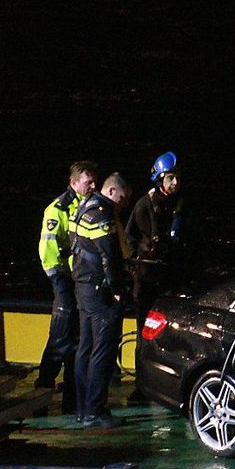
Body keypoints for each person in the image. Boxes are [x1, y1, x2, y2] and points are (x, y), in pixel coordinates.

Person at [35, 160, 98, 412]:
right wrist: (60, 283)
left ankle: (72, 398)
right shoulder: (57, 210)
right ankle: (41, 392)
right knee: (60, 338)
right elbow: (48, 251)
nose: (93, 186)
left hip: (82, 282)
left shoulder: (90, 205)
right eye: (88, 182)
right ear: (73, 183)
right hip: (65, 282)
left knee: (80, 340)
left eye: (95, 181)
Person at [71, 172, 132, 428]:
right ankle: (95, 411)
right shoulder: (102, 215)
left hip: (83, 286)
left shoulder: (84, 206)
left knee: (85, 347)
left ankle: (82, 408)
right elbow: (109, 256)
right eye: (122, 197)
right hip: (99, 290)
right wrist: (117, 289)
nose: (124, 203)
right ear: (111, 192)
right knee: (103, 349)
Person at [126, 151, 186, 384]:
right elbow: (129, 238)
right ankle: (142, 383)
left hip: (171, 277)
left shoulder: (182, 204)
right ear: (159, 178)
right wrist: (135, 266)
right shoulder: (145, 205)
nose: (175, 183)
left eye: (177, 177)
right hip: (147, 279)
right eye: (170, 178)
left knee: (173, 331)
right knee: (145, 332)